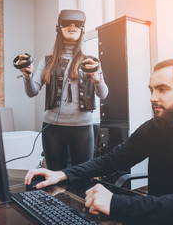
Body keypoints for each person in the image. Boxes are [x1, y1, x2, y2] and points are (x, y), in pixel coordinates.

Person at [24, 58, 173, 224]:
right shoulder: (155, 127)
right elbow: (112, 160)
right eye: (151, 90)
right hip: (158, 217)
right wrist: (62, 174)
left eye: (162, 89)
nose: (152, 97)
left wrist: (116, 204)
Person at [17, 10, 108, 171]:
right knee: (54, 177)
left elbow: (103, 94)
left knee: (81, 177)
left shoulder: (91, 62)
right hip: (52, 129)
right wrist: (27, 76)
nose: (72, 26)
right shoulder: (47, 61)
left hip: (83, 129)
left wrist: (97, 79)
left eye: (77, 24)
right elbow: (32, 91)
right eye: (67, 23)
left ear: (82, 30)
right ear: (58, 28)